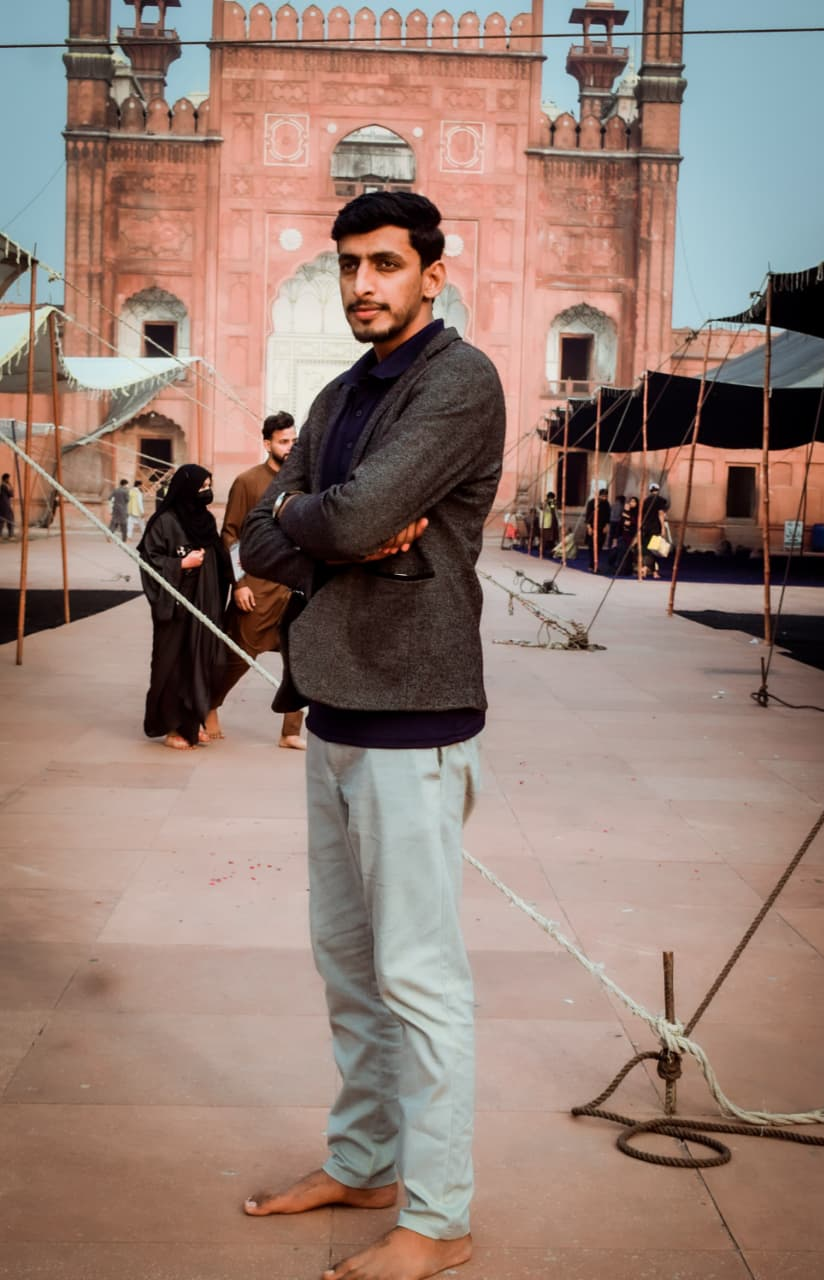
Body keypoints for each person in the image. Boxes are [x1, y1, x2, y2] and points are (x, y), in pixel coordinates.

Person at [240, 191, 506, 1280]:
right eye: (350, 264)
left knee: (418, 977)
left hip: (413, 711)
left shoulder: (459, 381)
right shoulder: (341, 392)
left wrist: (323, 519)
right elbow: (259, 533)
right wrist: (324, 523)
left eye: (385, 264)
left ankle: (439, 1219)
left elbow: (341, 515)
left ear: (432, 274)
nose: (362, 284)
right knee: (349, 966)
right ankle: (363, 1162)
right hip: (334, 707)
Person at [205, 411, 305, 749]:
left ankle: (291, 731)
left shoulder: (304, 484)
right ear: (267, 444)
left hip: (295, 586)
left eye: (293, 441)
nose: (290, 447)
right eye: (283, 441)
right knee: (240, 654)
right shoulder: (248, 482)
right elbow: (230, 535)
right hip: (258, 585)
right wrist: (240, 583)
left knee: (300, 658)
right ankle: (209, 705)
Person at [137, 464, 228, 750]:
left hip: (204, 606)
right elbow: (149, 561)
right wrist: (181, 564)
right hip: (175, 610)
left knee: (199, 663)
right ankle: (171, 727)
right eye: (201, 487)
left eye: (208, 486)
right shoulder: (164, 522)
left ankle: (192, 723)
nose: (206, 492)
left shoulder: (205, 520)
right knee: (172, 665)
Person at [641, 481, 669, 579]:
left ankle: (647, 568)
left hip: (646, 528)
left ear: (650, 490)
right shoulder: (661, 500)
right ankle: (651, 570)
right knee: (655, 550)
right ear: (658, 490)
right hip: (655, 528)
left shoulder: (645, 501)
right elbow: (660, 514)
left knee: (647, 549)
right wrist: (663, 528)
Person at [585, 485, 611, 571]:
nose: (604, 498)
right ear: (599, 495)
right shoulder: (592, 503)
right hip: (592, 527)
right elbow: (588, 516)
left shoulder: (606, 504)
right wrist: (589, 527)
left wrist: (607, 526)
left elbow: (608, 517)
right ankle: (591, 565)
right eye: (603, 496)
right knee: (592, 547)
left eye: (606, 496)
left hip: (601, 528)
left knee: (599, 546)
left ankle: (595, 564)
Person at [539, 490, 559, 558]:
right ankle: (542, 552)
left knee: (552, 538)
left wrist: (553, 503)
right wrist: (550, 503)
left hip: (551, 523)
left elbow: (554, 509)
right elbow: (544, 509)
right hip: (547, 524)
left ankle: (551, 552)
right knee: (546, 539)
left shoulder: (551, 503)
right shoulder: (546, 504)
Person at [0, 473, 14, 539]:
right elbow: (11, 494)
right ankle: (10, 535)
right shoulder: (5, 486)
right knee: (10, 519)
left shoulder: (2, 486)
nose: (9, 480)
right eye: (8, 478)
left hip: (2, 505)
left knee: (2, 520)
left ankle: (1, 535)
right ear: (6, 479)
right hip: (6, 505)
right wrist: (10, 485)